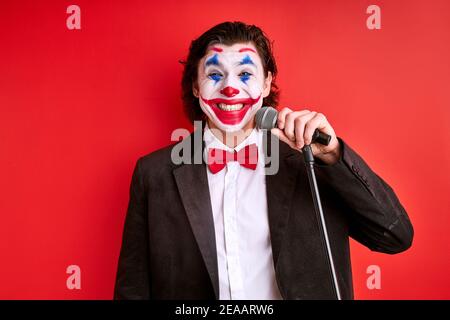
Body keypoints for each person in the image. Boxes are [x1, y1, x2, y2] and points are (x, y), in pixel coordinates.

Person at [114, 21, 413, 300]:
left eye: (245, 74)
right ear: (196, 87)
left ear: (267, 84)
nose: (230, 87)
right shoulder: (153, 174)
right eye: (214, 75)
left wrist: (334, 156)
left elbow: (395, 236)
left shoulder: (310, 160)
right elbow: (133, 290)